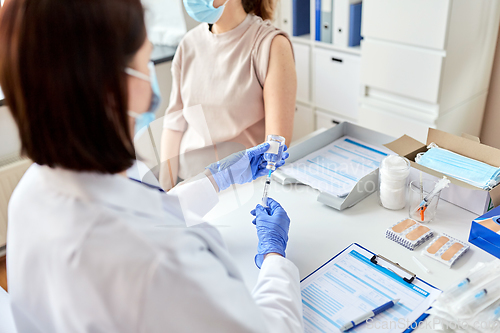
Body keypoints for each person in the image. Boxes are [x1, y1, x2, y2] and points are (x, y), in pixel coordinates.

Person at [0, 0, 303, 332]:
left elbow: (151, 211)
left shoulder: (31, 194)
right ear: (111, 86)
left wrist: (217, 179)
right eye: (145, 63)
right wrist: (275, 260)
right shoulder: (156, 265)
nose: (152, 88)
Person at [159, 0, 297, 190]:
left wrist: (212, 184)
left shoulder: (271, 45)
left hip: (238, 190)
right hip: (186, 183)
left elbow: (275, 146)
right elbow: (174, 123)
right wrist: (165, 191)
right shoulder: (188, 44)